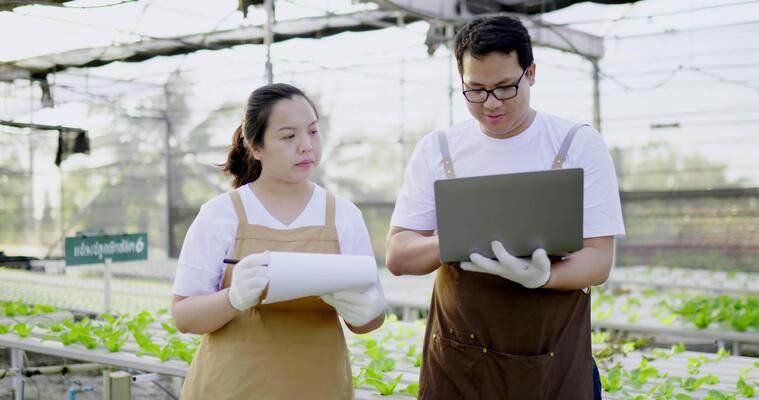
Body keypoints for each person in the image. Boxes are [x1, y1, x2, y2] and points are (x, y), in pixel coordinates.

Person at [386, 16, 625, 400]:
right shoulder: (438, 148)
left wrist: (542, 276)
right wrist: (460, 239)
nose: (491, 104)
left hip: (552, 360)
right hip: (458, 361)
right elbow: (398, 255)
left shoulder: (576, 144)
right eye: (475, 90)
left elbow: (598, 259)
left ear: (531, 73)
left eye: (504, 88)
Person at [171, 83, 386, 400]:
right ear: (255, 147)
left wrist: (368, 311)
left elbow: (368, 322)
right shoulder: (220, 215)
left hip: (319, 387)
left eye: (313, 132)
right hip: (231, 387)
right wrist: (233, 298)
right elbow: (184, 315)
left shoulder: (344, 216)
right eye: (289, 136)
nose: (306, 146)